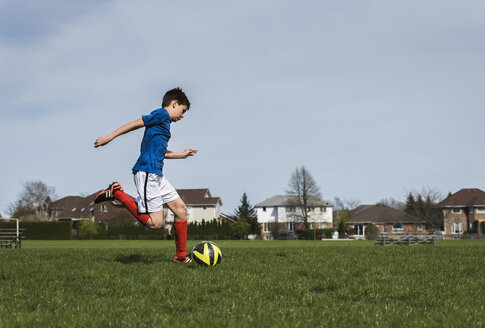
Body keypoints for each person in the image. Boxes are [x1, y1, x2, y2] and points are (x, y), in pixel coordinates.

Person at [93, 87, 197, 263]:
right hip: (147, 172)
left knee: (181, 210)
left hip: (157, 174)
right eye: (183, 110)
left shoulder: (164, 124)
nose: (183, 115)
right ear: (174, 104)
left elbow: (161, 152)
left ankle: (180, 257)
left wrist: (181, 154)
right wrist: (109, 137)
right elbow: (138, 123)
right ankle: (117, 193)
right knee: (155, 224)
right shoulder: (162, 115)